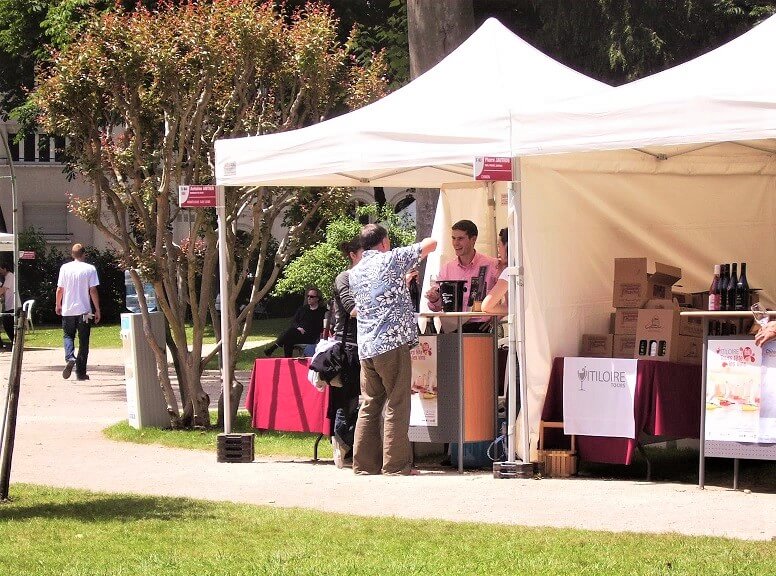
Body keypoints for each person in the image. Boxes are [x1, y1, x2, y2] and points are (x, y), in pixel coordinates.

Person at [349, 223, 437, 475]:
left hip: (366, 347)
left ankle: (364, 465)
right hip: (391, 343)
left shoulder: (355, 272)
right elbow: (431, 243)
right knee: (397, 402)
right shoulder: (391, 259)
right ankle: (396, 465)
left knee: (370, 403)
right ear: (384, 242)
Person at [425, 219, 499, 331]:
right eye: (453, 238)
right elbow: (438, 305)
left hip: (481, 329)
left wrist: (495, 321)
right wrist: (434, 299)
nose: (456, 243)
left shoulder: (492, 265)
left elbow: (508, 299)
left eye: (460, 238)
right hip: (451, 328)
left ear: (473, 239)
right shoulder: (447, 268)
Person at [327, 237, 363, 468]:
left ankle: (349, 444)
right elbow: (352, 309)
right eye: (364, 253)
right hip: (348, 346)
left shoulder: (364, 277)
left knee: (361, 400)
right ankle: (341, 442)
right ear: (353, 255)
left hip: (364, 345)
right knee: (347, 399)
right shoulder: (345, 277)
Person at [56, 243, 101, 380]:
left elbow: (60, 289)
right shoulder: (90, 269)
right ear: (84, 254)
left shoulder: (65, 268)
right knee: (84, 341)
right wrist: (97, 309)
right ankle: (81, 373)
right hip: (85, 311)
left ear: (72, 254)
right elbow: (92, 290)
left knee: (68, 335)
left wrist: (58, 304)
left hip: (68, 309)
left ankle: (70, 356)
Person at [264, 286, 326, 357]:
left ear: (317, 298)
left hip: (311, 337)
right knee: (288, 339)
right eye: (308, 296)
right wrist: (298, 328)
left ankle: (273, 347)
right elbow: (293, 322)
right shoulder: (302, 309)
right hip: (298, 334)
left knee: (290, 333)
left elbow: (322, 326)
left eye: (311, 296)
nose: (308, 298)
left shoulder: (322, 311)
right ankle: (287, 360)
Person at [482, 227, 509, 316]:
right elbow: (508, 304)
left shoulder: (509, 272)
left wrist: (514, 309)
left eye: (499, 245)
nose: (498, 250)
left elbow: (486, 306)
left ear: (506, 246)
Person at [0, 262, 16, 348]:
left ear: (5, 268)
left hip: (12, 305)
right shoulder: (6, 277)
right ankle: (13, 343)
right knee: (7, 324)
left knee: (7, 324)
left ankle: (14, 343)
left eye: (0, 269)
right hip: (9, 305)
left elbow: (2, 290)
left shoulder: (10, 276)